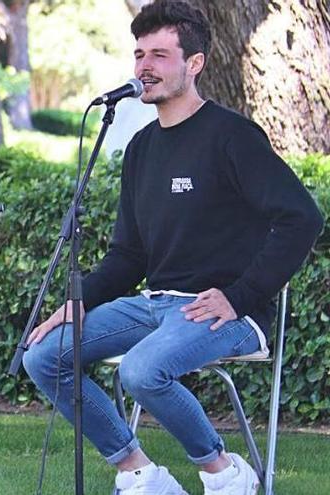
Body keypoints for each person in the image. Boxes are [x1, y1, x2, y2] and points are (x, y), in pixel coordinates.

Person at [23, 1, 323, 494]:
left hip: (227, 313)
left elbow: (302, 218)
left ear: (194, 63)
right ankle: (139, 472)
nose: (144, 66)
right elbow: (129, 256)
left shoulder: (233, 136)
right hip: (154, 305)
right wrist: (78, 302)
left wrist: (241, 295)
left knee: (142, 369)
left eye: (160, 55)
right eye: (139, 54)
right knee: (44, 353)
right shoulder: (141, 147)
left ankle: (224, 472)